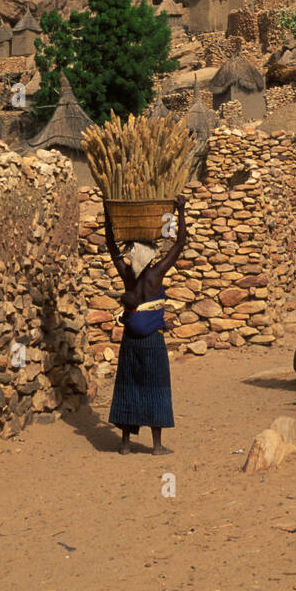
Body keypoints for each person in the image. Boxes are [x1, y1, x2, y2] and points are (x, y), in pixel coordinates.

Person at [105, 195, 186, 455]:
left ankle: (125, 443)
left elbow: (111, 246)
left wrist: (109, 215)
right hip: (151, 339)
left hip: (130, 338)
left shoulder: (127, 273)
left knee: (128, 385)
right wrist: (180, 211)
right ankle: (157, 445)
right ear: (149, 255)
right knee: (155, 386)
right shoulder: (155, 273)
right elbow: (180, 243)